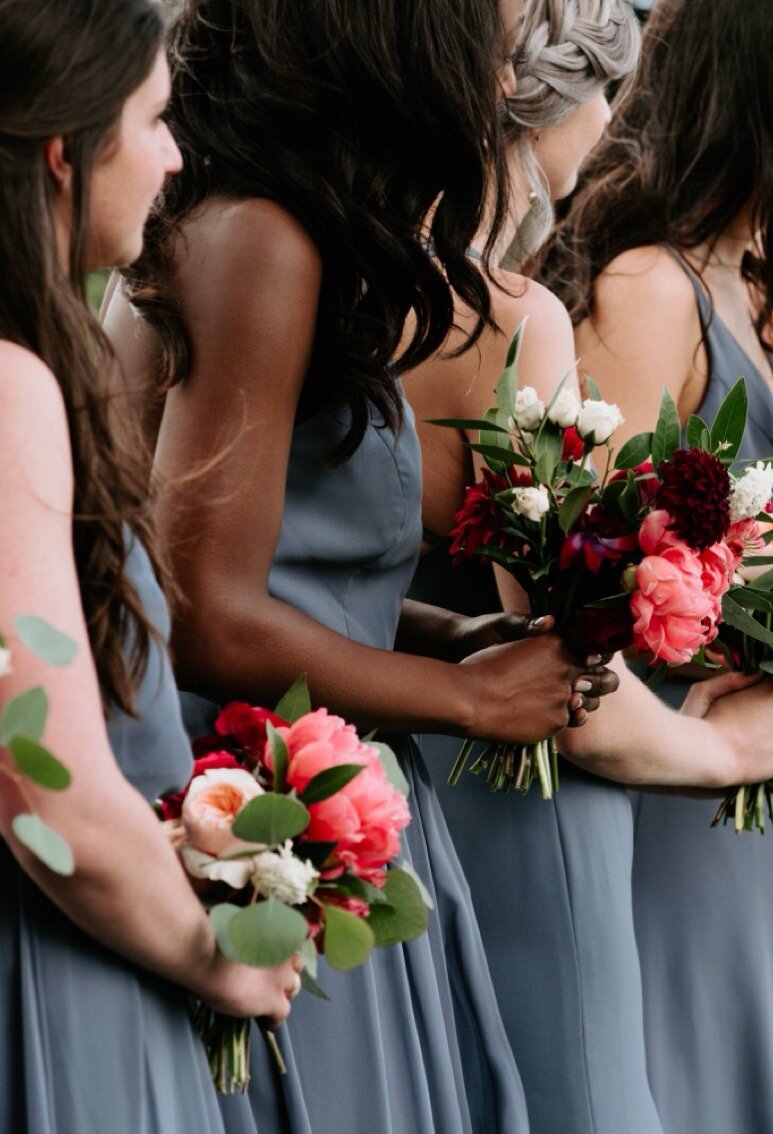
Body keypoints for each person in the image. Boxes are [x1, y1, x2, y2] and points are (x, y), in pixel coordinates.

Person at [107, 1, 614, 1130]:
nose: (508, 59)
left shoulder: (288, 236)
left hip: (337, 790)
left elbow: (286, 563)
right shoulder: (260, 240)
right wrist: (470, 698)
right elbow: (204, 614)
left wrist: (451, 633)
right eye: (494, 24)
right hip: (268, 812)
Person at [404, 2, 773, 1130]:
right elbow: (570, 648)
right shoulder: (508, 319)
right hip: (533, 790)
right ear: (561, 105)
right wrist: (721, 748)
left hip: (412, 770)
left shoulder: (341, 287)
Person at [0, 1, 298, 1130]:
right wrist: (222, 954)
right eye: (154, 120)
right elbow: (40, 788)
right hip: (42, 973)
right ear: (64, 153)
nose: (176, 154)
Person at [541, 0, 773, 1129]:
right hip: (674, 783)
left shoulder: (752, 291)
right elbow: (588, 578)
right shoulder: (646, 291)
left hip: (760, 783)